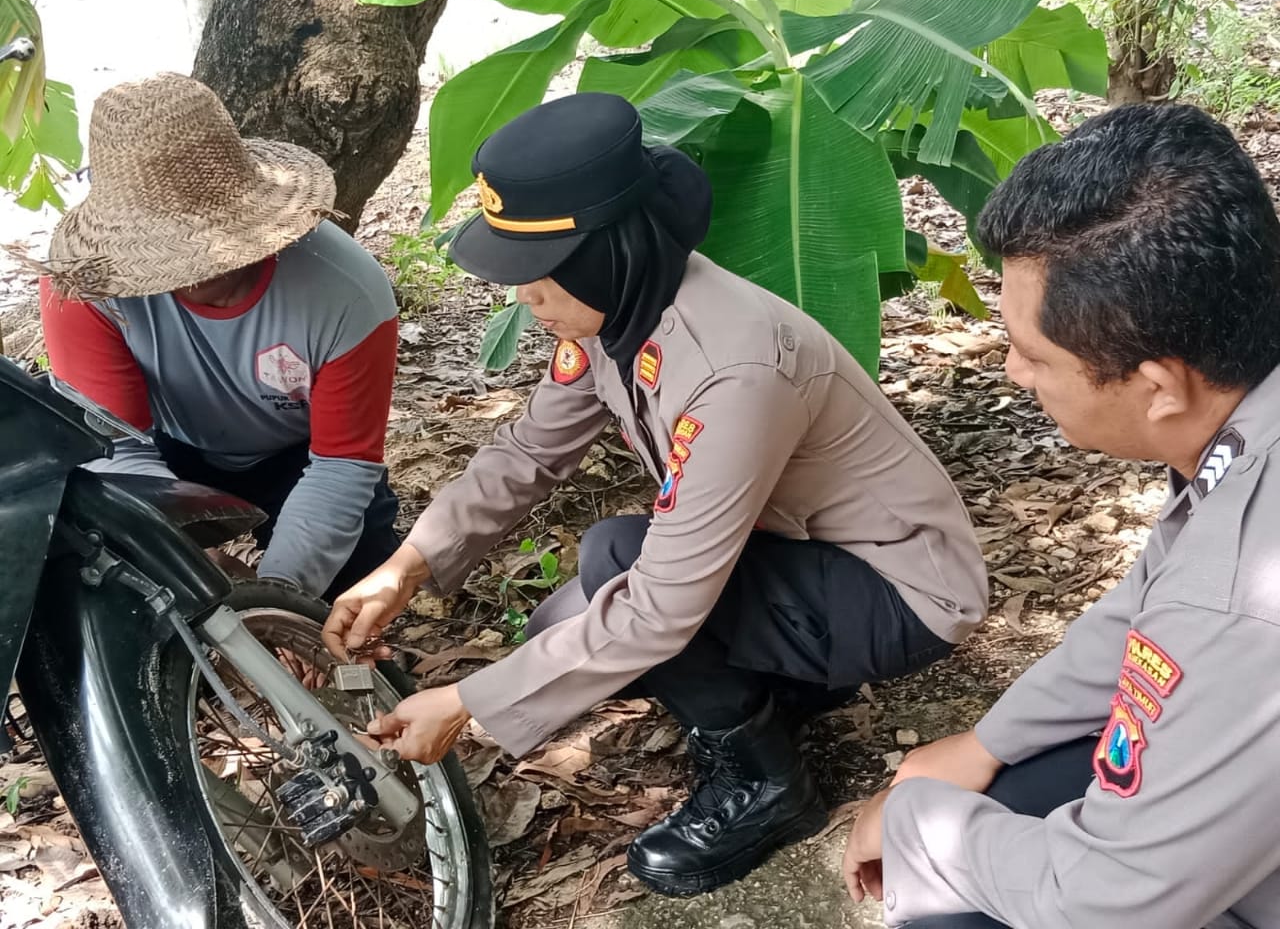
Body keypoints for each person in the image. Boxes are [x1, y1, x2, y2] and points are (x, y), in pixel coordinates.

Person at [322, 92, 988, 896]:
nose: (523, 298)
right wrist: (409, 566)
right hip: (802, 554)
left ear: (607, 253)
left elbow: (664, 604)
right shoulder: (622, 315)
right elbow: (529, 449)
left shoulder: (735, 369)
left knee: (621, 570)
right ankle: (789, 688)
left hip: (899, 590)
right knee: (574, 615)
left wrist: (467, 703)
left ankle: (768, 787)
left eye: (537, 275)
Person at [842, 102, 1280, 929]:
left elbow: (1104, 902)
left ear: (1159, 388)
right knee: (1013, 788)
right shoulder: (1241, 424)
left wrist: (910, 826)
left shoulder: (1242, 599)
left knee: (950, 902)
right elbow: (1145, 610)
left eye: (1036, 355)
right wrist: (983, 745)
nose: (1013, 372)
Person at [37, 73, 400, 601]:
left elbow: (341, 465)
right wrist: (184, 553)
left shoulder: (345, 292)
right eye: (167, 251)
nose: (191, 272)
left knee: (354, 596)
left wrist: (277, 597)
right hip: (165, 449)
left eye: (204, 245)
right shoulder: (84, 284)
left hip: (303, 453)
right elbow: (117, 446)